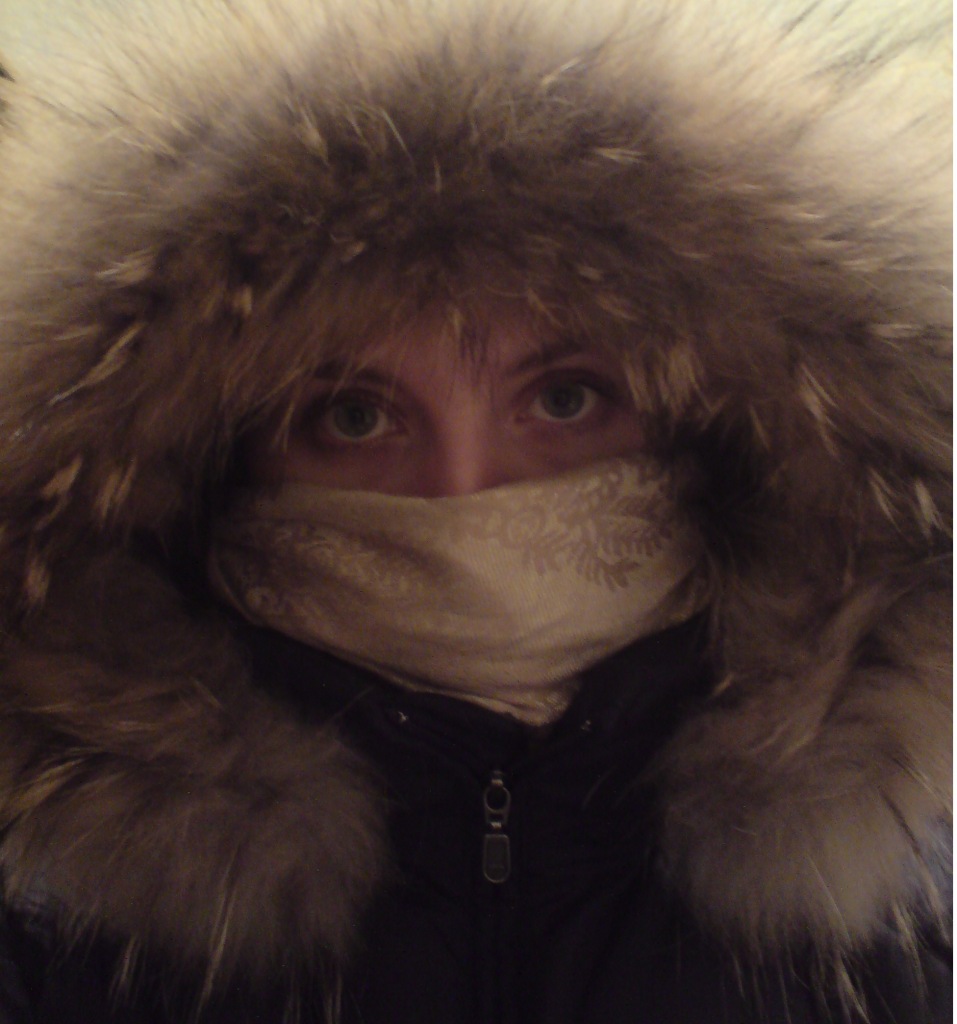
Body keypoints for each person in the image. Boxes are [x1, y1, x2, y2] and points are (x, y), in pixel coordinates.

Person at [0, 1, 950, 1022]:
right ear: (210, 472)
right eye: (355, 417)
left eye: (565, 399)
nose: (463, 494)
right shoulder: (63, 932)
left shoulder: (891, 933)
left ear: (720, 442)